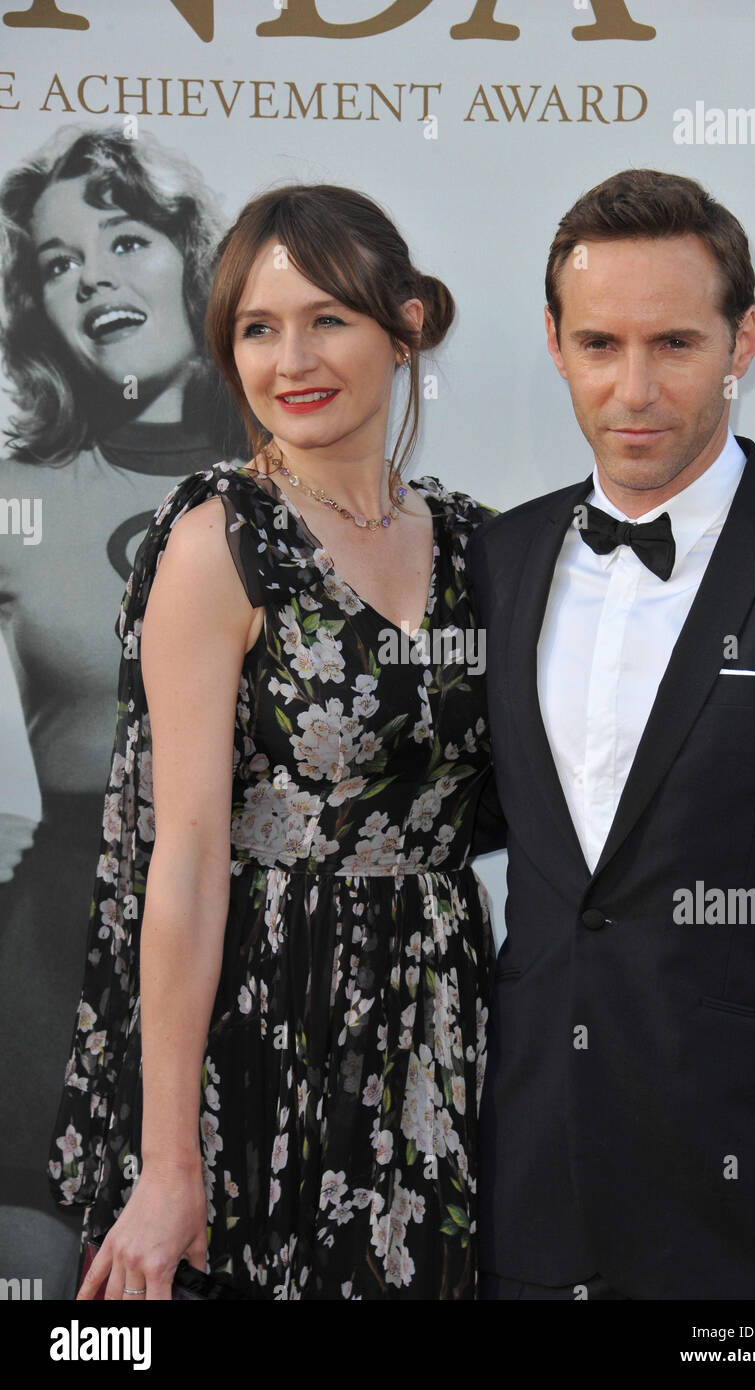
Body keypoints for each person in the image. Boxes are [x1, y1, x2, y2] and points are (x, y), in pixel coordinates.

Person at [49, 182, 499, 1301]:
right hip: (265, 1026)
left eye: (327, 318)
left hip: (440, 1018)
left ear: (406, 326)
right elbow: (186, 861)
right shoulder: (214, 539)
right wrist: (166, 1165)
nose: (289, 357)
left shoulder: (479, 541)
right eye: (257, 327)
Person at [468, 167, 755, 1301]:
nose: (633, 388)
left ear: (744, 342)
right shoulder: (500, 561)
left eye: (675, 344)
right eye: (598, 344)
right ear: (553, 343)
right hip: (537, 1190)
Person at [0, 124, 245, 1298]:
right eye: (54, 262)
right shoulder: (11, 496)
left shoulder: (330, 493)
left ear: (198, 259)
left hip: (268, 945)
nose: (88, 275)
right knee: (70, 1313)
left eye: (125, 239)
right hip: (51, 951)